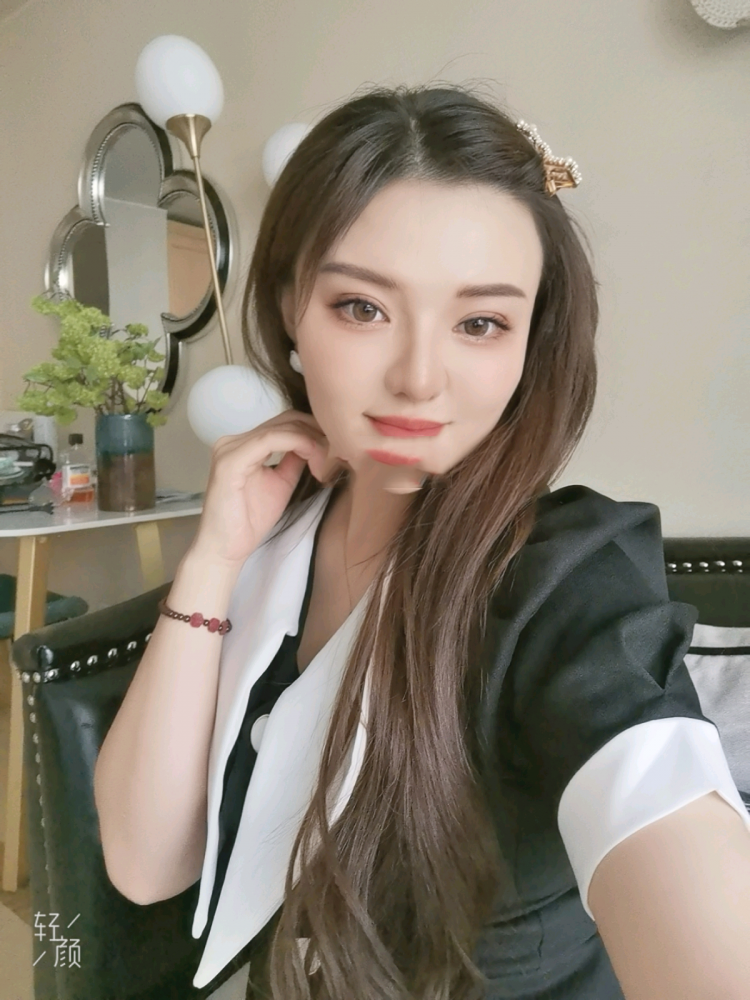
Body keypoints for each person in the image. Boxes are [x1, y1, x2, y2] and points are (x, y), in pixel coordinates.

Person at [93, 84, 750, 1000]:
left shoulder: (563, 575)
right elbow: (145, 865)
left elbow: (660, 813)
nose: (418, 378)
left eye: (481, 323)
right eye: (363, 308)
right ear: (290, 310)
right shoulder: (277, 536)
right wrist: (212, 560)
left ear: (530, 344)